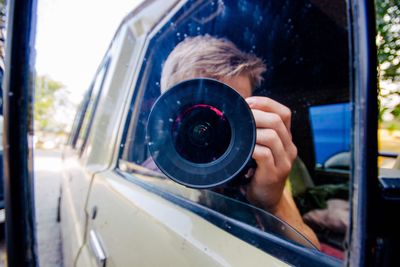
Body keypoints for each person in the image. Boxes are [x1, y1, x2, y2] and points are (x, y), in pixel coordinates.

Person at [160, 35, 320, 248]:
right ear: (169, 112)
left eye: (232, 113)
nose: (215, 127)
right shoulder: (154, 175)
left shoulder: (260, 165)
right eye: (202, 111)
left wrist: (272, 205)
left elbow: (312, 252)